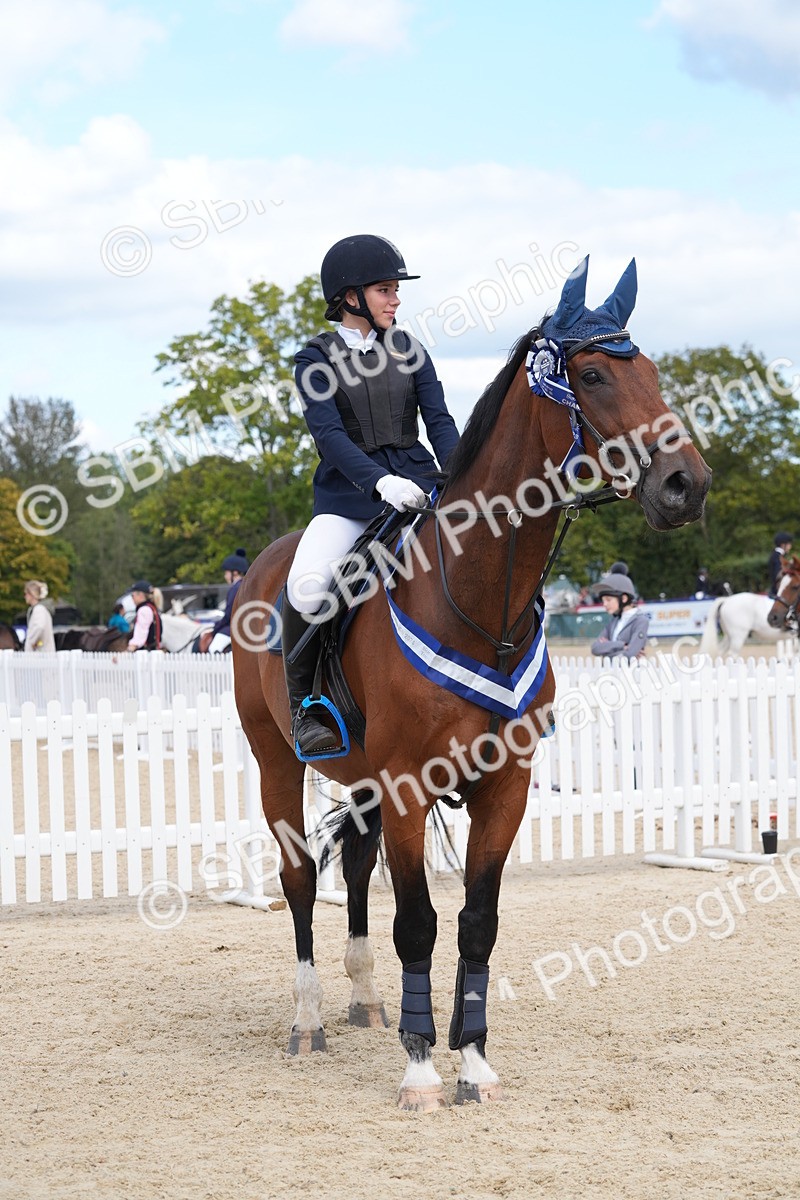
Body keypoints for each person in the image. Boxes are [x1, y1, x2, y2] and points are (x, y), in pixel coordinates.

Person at [285, 233, 460, 756]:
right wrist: (380, 482)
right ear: (351, 296)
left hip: (420, 485)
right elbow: (330, 438)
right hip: (350, 498)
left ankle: (514, 686)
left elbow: (440, 422)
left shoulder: (411, 351)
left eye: (395, 290)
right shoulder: (314, 361)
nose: (396, 299)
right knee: (306, 587)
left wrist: (460, 476)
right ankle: (307, 710)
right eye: (385, 290)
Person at [590, 571, 650, 660]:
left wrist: (607, 651)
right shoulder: (613, 622)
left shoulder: (641, 621)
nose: (604, 604)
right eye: (603, 601)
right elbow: (595, 648)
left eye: (608, 600)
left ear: (624, 598)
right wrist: (621, 645)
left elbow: (630, 654)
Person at [207, 549, 249, 653]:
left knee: (213, 648)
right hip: (249, 627)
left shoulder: (235, 588)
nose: (225, 576)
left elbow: (229, 615)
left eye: (226, 573)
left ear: (235, 572)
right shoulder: (247, 585)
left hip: (235, 629)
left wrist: (216, 628)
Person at [126, 581, 162, 651]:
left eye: (133, 595)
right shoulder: (152, 608)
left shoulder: (144, 610)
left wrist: (130, 648)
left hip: (145, 653)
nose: (132, 598)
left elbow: (141, 634)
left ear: (141, 595)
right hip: (154, 651)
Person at [23, 580, 55, 652]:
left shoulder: (39, 609)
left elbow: (39, 627)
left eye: (26, 593)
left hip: (40, 654)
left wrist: (31, 642)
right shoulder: (40, 609)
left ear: (32, 594)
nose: (25, 596)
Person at [768, 532, 793, 597]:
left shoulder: (778, 555)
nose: (790, 546)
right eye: (789, 544)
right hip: (777, 592)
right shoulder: (777, 556)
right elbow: (778, 574)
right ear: (783, 545)